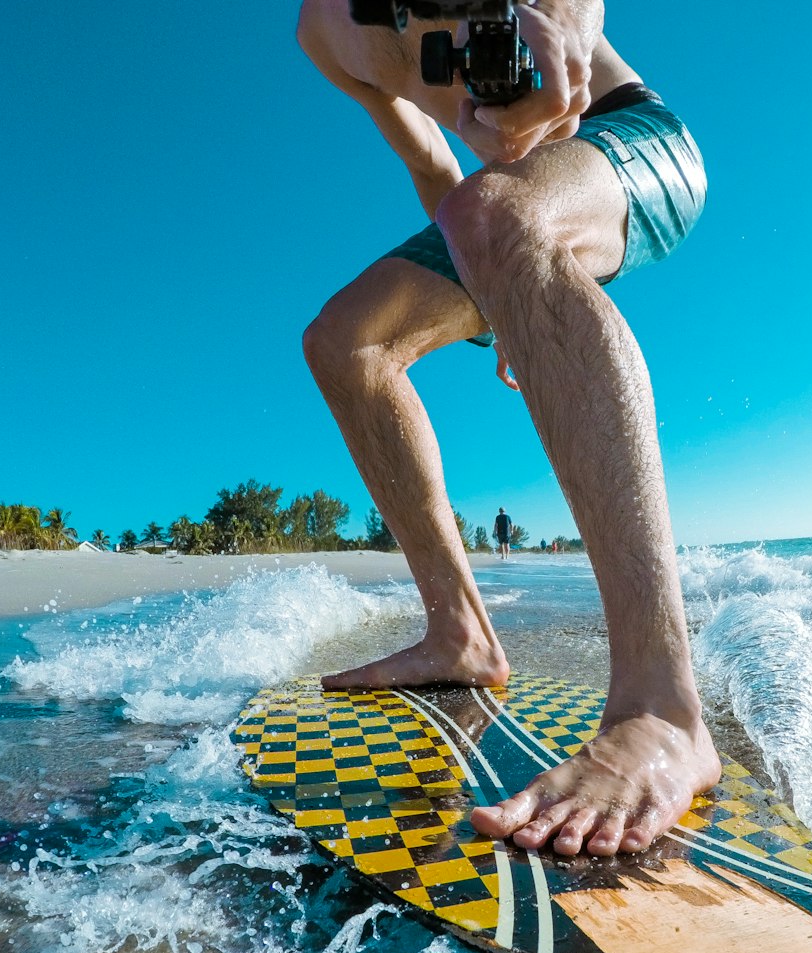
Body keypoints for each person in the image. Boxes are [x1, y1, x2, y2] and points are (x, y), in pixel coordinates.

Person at [299, 0, 722, 857]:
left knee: (497, 215)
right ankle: (459, 631)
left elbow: (573, 8)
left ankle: (661, 708)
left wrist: (558, 32)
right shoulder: (327, 34)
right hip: (498, 203)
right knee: (348, 342)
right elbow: (430, 164)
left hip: (630, 141)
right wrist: (501, 290)